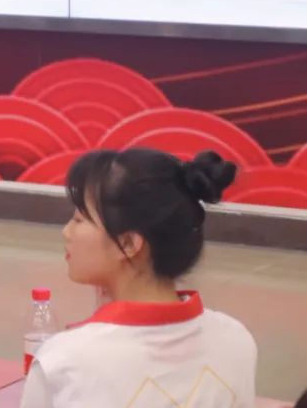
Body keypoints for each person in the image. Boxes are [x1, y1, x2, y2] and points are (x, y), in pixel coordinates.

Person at [20, 149, 256, 407]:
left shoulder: (64, 363)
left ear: (129, 243)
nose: (66, 232)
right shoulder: (236, 340)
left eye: (79, 219)